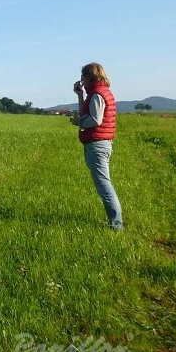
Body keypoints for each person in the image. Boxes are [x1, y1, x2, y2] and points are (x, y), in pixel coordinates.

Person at [70, 62, 123, 230]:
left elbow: (94, 120)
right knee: (103, 184)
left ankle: (116, 225)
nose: (81, 81)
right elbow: (88, 114)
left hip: (97, 145)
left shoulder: (97, 95)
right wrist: (79, 96)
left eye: (83, 77)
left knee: (104, 186)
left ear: (90, 77)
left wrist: (79, 121)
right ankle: (115, 222)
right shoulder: (97, 93)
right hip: (98, 144)